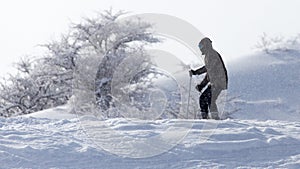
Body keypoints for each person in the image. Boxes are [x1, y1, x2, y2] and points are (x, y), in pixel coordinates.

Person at [189, 37, 228, 120]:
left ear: (205, 46)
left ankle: (213, 119)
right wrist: (202, 85)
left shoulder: (212, 55)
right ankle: (206, 118)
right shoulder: (208, 55)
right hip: (215, 82)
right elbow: (209, 72)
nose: (200, 49)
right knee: (204, 98)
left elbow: (208, 68)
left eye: (201, 46)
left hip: (219, 81)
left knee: (209, 99)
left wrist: (195, 73)